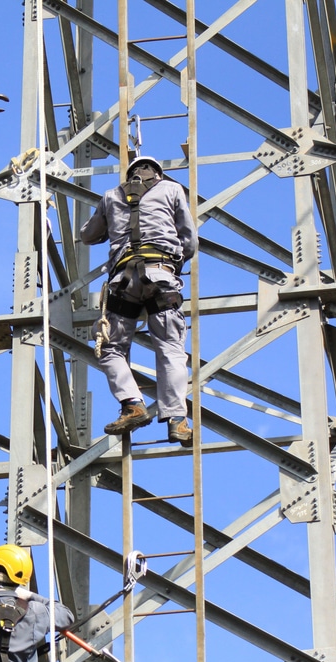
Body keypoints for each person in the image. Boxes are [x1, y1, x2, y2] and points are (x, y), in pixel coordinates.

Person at [79, 155, 198, 446]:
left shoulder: (111, 196)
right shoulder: (171, 190)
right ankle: (177, 420)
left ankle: (133, 403)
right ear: (157, 173)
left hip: (124, 280)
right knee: (170, 348)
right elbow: (190, 240)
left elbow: (87, 235)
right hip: (161, 276)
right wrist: (176, 258)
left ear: (131, 174)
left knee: (110, 348)